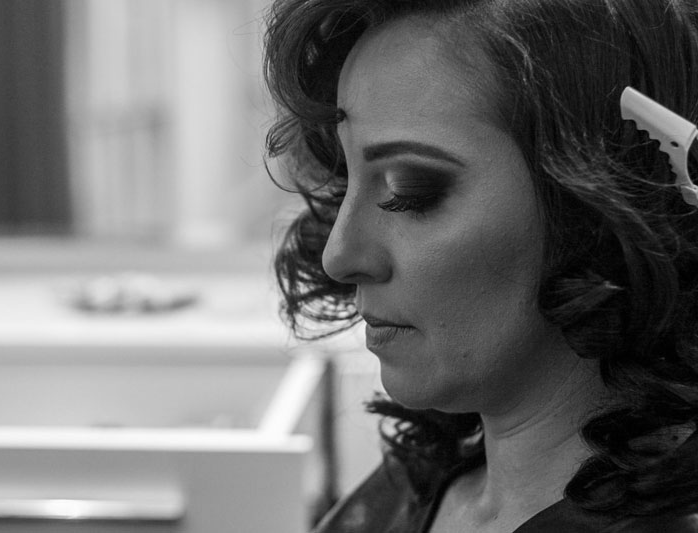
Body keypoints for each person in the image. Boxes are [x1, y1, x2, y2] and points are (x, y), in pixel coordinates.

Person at [262, 0, 698, 531]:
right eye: (345, 176)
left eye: (409, 190)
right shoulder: (423, 483)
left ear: (603, 210)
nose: (339, 255)